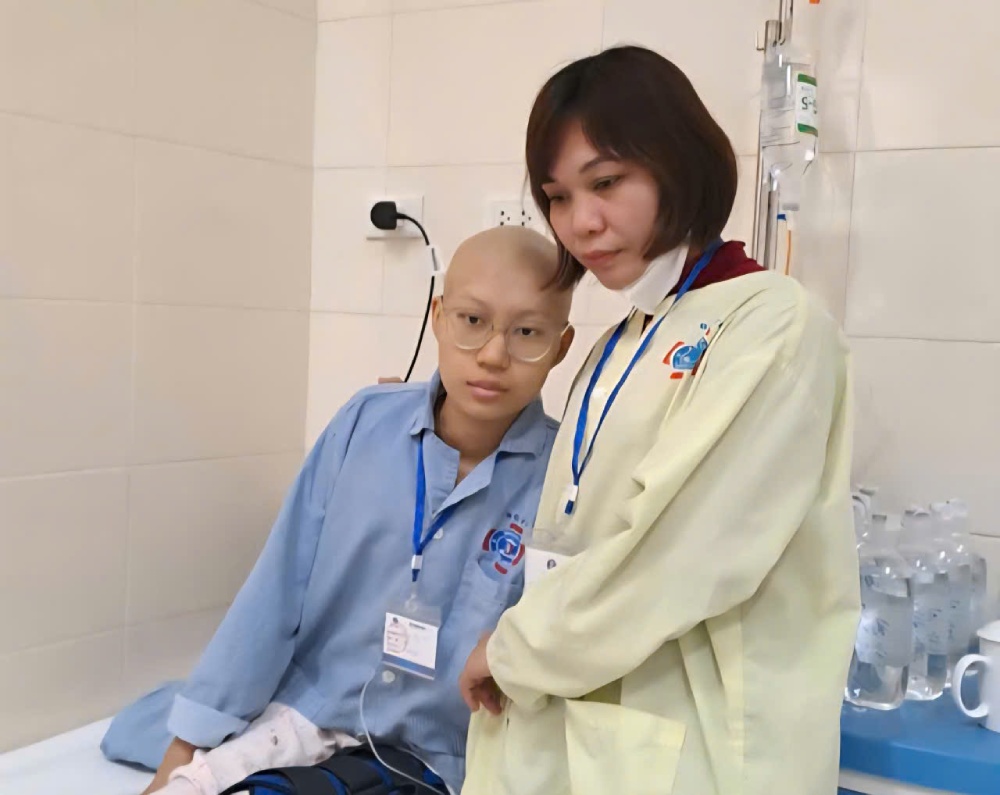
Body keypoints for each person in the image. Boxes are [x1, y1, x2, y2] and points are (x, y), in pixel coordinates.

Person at [458, 45, 859, 795]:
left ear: (678, 161)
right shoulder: (621, 339)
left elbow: (677, 555)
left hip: (697, 751)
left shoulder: (772, 323)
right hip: (581, 724)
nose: (581, 223)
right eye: (558, 196)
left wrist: (513, 651)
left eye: (606, 182)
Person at [101, 225, 576, 795]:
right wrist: (185, 750)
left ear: (561, 347)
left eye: (527, 333)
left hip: (437, 756)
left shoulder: (567, 478)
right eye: (472, 321)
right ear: (438, 317)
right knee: (143, 737)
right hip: (311, 712)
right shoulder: (364, 423)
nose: (494, 355)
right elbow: (276, 590)